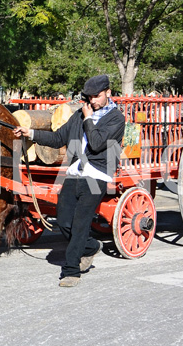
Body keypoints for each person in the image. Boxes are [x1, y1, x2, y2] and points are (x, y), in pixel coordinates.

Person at [12, 74, 125, 287]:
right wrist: (31, 132)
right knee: (63, 221)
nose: (92, 101)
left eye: (97, 96)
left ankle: (72, 271)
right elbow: (57, 138)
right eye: (89, 97)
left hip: (97, 175)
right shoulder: (79, 116)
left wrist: (89, 119)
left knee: (81, 222)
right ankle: (90, 247)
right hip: (74, 172)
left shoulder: (116, 118)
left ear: (108, 93)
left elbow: (97, 143)